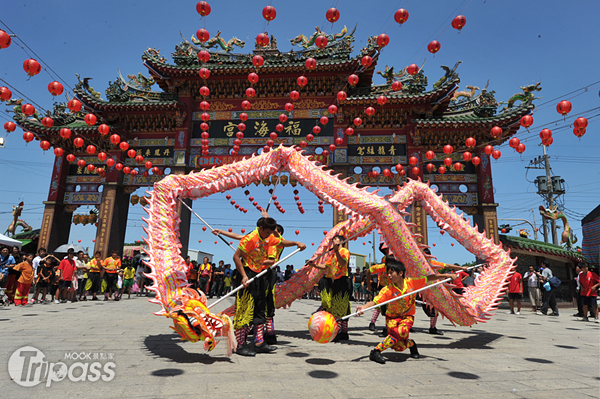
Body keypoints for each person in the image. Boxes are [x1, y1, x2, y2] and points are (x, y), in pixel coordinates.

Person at [357, 259, 455, 364]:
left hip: (407, 317)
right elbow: (375, 301)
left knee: (401, 332)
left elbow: (429, 278)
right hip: (392, 318)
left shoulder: (412, 283)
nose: (388, 275)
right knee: (398, 346)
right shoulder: (387, 290)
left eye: (391, 273)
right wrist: (364, 307)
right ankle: (411, 344)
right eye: (388, 273)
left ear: (400, 273)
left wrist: (445, 275)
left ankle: (376, 351)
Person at [232, 217, 305, 356]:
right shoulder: (249, 238)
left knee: (261, 307)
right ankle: (240, 344)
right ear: (260, 228)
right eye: (266, 232)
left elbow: (281, 242)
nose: (268, 235)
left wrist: (296, 243)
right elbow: (236, 257)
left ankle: (259, 342)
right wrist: (243, 276)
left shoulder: (269, 237)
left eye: (270, 233)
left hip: (262, 274)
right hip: (248, 273)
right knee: (245, 309)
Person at [309, 234, 351, 342]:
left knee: (340, 306)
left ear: (341, 242)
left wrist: (337, 251)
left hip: (343, 280)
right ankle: (342, 332)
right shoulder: (332, 255)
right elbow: (325, 267)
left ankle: (338, 331)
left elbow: (343, 263)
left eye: (335, 240)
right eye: (333, 240)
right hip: (335, 281)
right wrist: (314, 265)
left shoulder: (344, 252)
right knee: (338, 306)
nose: (333, 242)